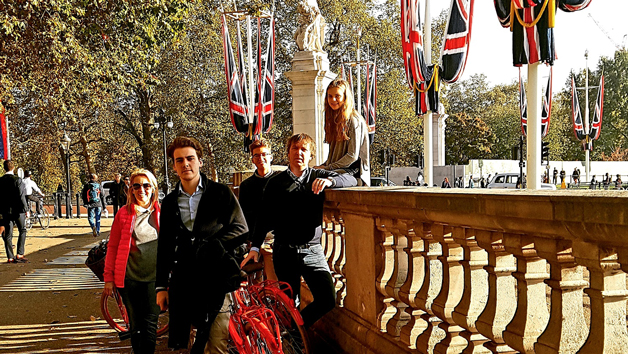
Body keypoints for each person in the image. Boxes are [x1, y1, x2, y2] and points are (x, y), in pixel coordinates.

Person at [241, 133, 357, 329]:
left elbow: (351, 179)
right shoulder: (275, 183)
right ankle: (293, 343)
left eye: (304, 149)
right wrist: (255, 247)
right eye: (295, 149)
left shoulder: (318, 176)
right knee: (288, 303)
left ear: (310, 154)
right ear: (288, 153)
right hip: (284, 251)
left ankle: (295, 333)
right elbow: (263, 218)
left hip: (312, 251)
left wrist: (330, 182)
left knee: (327, 299)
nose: (299, 153)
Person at [156, 136, 248, 353]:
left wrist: (213, 245)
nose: (185, 164)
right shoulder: (169, 202)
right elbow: (165, 245)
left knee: (217, 341)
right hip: (185, 281)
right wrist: (161, 286)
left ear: (200, 161)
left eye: (190, 158)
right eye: (179, 160)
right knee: (190, 343)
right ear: (174, 166)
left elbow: (240, 228)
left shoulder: (220, 193)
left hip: (216, 277)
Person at [103, 169, 161, 354]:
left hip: (155, 280)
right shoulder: (123, 214)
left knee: (150, 324)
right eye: (136, 186)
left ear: (153, 188)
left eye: (146, 185)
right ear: (131, 190)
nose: (141, 190)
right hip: (129, 280)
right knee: (135, 325)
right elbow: (112, 247)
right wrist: (108, 279)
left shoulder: (163, 213)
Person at [315, 78, 370, 186]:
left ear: (345, 97)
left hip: (351, 174)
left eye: (337, 96)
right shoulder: (334, 120)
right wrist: (322, 166)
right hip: (336, 171)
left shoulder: (354, 120)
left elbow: (352, 156)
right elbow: (333, 156)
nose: (333, 99)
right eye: (330, 96)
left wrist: (328, 168)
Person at [0, 160, 28, 263]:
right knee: (22, 230)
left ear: (4, 168)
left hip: (5, 211)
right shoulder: (18, 180)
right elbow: (21, 196)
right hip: (17, 210)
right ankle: (20, 254)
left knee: (8, 234)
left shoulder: (0, 181)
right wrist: (26, 209)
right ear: (14, 167)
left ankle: (10, 257)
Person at [81, 173, 106, 237]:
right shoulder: (99, 186)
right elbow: (103, 195)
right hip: (98, 204)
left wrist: (85, 203)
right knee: (98, 219)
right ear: (96, 178)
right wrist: (104, 206)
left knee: (90, 218)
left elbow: (83, 195)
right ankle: (97, 231)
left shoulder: (87, 185)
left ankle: (93, 226)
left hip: (90, 204)